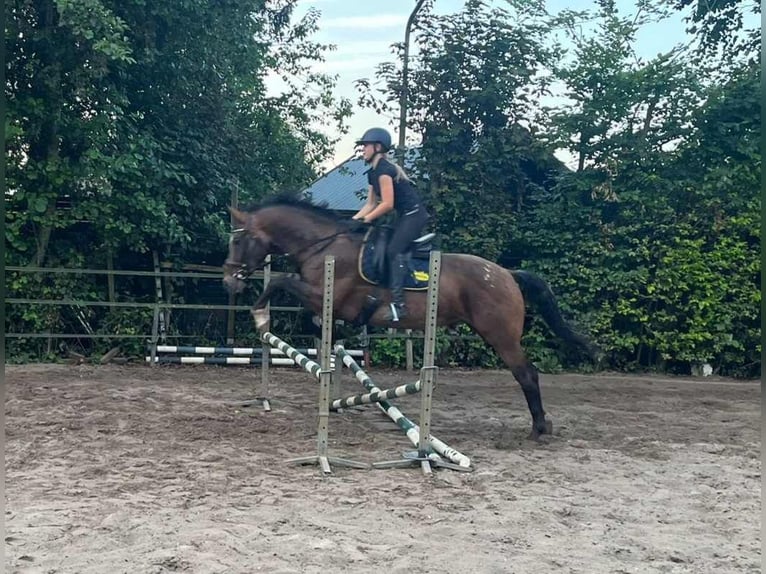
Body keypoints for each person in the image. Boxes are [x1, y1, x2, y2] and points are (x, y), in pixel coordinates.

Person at [351, 127, 429, 322]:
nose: (363, 150)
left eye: (365, 146)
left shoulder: (385, 170)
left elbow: (387, 204)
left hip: (414, 215)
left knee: (393, 250)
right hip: (403, 216)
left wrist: (366, 220)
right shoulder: (372, 173)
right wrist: (350, 223)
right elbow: (370, 204)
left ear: (377, 147)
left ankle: (399, 305)